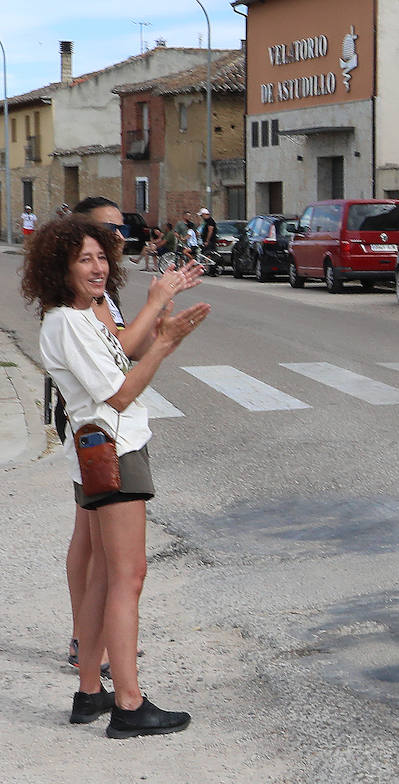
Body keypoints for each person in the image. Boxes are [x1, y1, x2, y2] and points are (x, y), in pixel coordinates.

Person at [21, 216, 210, 737]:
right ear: (60, 268)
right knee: (129, 578)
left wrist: (162, 328)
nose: (98, 267)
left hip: (103, 449)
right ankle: (129, 705)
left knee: (106, 577)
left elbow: (125, 359)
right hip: (113, 451)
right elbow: (121, 394)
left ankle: (89, 693)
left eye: (101, 256)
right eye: (84, 259)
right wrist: (165, 342)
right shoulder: (65, 321)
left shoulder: (84, 318)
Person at [60, 196, 202, 678]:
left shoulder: (99, 297)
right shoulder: (76, 307)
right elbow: (119, 377)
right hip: (102, 437)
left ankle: (93, 661)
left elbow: (125, 348)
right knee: (102, 553)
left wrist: (158, 320)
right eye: (104, 235)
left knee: (104, 555)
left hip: (103, 432)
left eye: (118, 234)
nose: (117, 241)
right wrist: (159, 317)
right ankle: (96, 654)